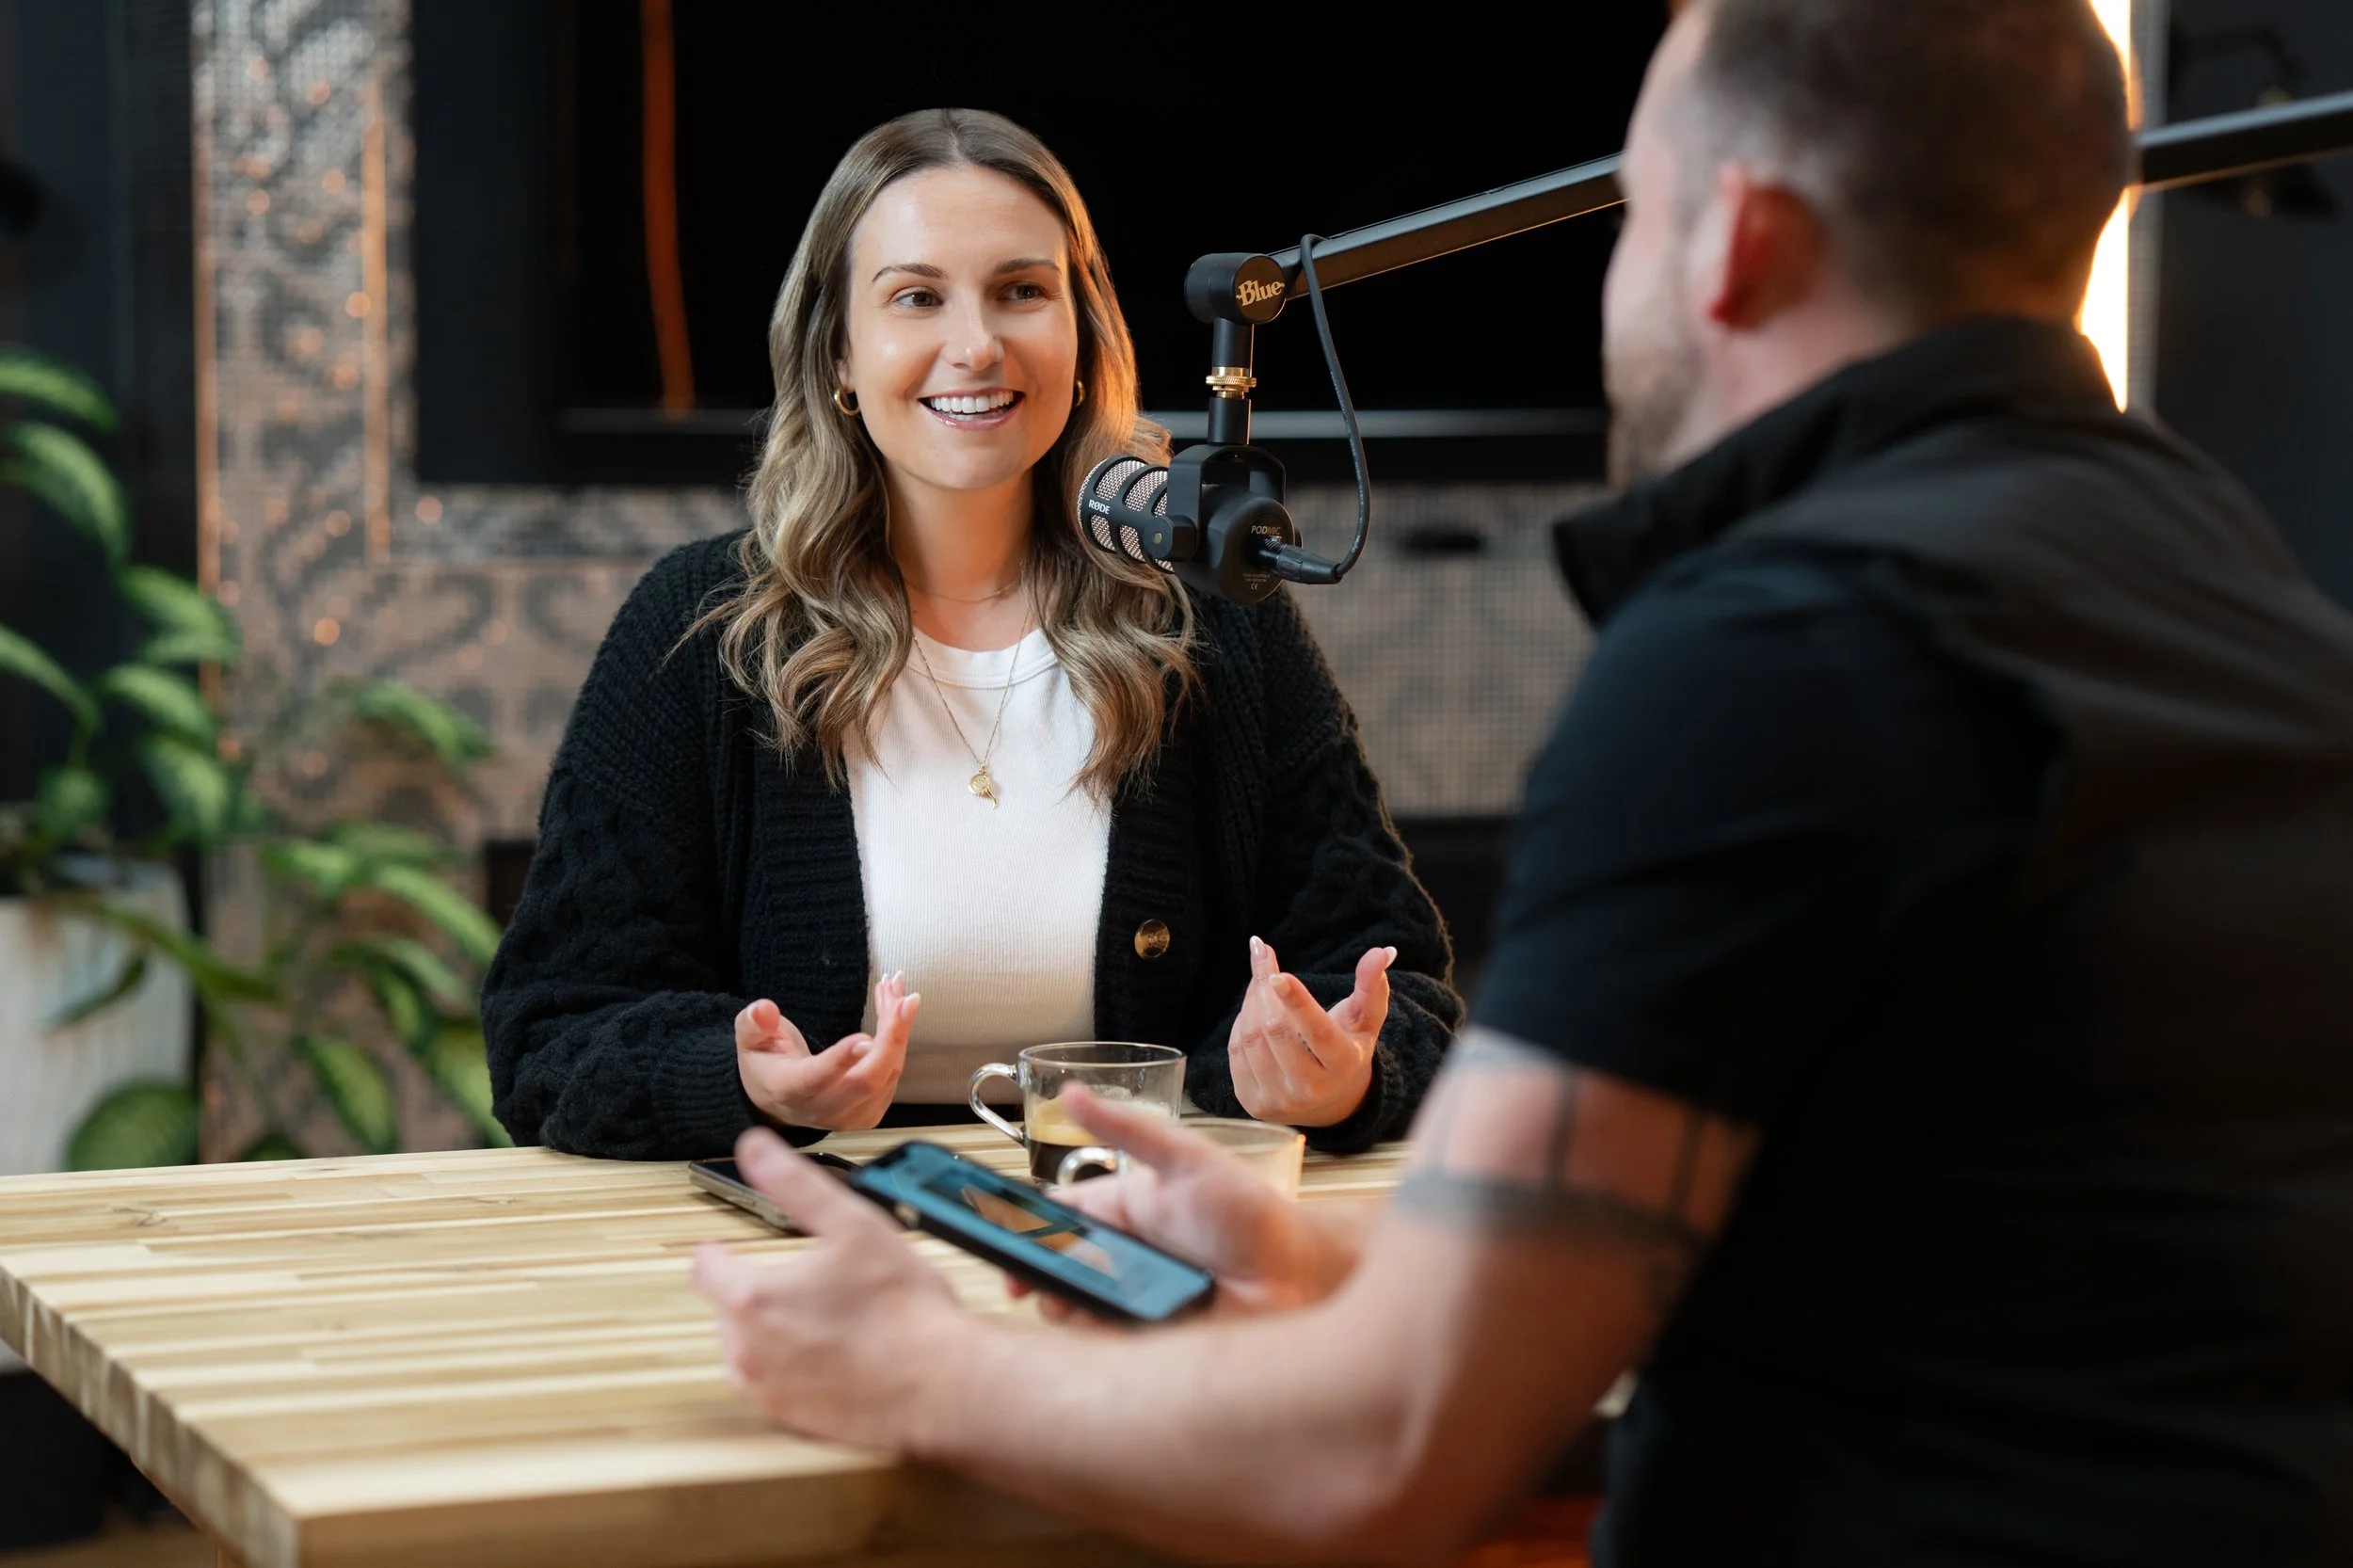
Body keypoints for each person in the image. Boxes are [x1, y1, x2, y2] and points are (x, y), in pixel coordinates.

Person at [690, 4, 2353, 1564]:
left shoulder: (1778, 656)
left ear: (1734, 238)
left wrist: (924, 1369)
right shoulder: (2239, 587)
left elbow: (1398, 1447)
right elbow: (1921, 1219)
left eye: (1635, 208)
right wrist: (1328, 1254)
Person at [482, 109, 1460, 1158]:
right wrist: (736, 1080)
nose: (978, 346)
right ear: (838, 352)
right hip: (822, 1227)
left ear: (1082, 337)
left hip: (1135, 1224)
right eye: (916, 297)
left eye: (1021, 291)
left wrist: (1333, 1075)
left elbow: (1400, 992)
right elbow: (553, 1031)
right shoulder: (699, 627)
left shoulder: (1215, 621)